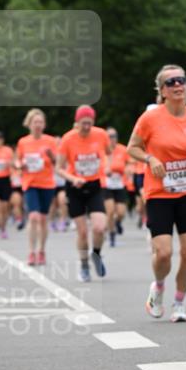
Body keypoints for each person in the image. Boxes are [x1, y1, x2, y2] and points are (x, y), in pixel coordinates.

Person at [127, 64, 186, 322]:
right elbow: (131, 148)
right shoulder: (150, 118)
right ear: (162, 91)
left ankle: (179, 303)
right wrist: (149, 159)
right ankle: (158, 286)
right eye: (171, 82)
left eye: (182, 80)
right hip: (158, 192)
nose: (178, 85)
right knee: (165, 253)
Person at [57, 105, 111, 282]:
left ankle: (96, 255)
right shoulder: (68, 139)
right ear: (77, 122)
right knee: (82, 232)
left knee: (99, 227)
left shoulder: (101, 134)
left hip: (94, 185)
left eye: (90, 123)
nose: (87, 127)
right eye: (83, 123)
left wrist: (107, 165)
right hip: (75, 188)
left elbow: (108, 153)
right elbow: (58, 168)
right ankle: (84, 265)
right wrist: (73, 178)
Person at [15, 109, 57, 265]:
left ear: (44, 124)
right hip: (30, 183)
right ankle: (31, 252)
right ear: (29, 124)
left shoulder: (50, 141)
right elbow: (17, 162)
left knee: (43, 219)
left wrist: (51, 156)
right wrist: (21, 164)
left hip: (47, 183)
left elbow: (58, 163)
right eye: (35, 122)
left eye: (40, 122)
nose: (38, 125)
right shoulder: (23, 142)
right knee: (33, 217)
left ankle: (42, 250)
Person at [104, 127, 129, 246]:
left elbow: (130, 164)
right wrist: (105, 170)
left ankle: (117, 222)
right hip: (106, 184)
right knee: (110, 211)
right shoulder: (102, 150)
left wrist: (128, 171)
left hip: (119, 184)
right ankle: (112, 235)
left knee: (121, 212)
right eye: (109, 136)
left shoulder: (123, 150)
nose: (111, 139)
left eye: (113, 136)